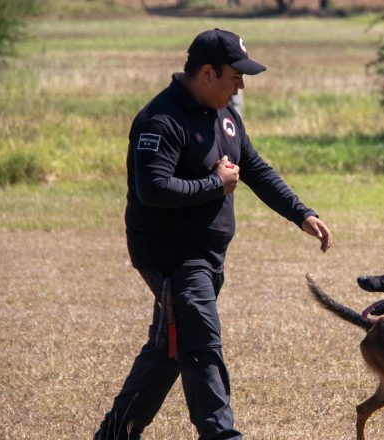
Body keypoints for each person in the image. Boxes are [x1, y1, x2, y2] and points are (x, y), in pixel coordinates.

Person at [94, 28, 332, 440]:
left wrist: (300, 213)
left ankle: (115, 434)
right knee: (202, 343)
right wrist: (214, 184)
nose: (240, 85)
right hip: (172, 257)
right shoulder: (161, 119)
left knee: (169, 350)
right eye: (234, 76)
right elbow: (153, 190)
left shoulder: (225, 115)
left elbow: (254, 168)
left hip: (207, 256)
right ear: (208, 72)